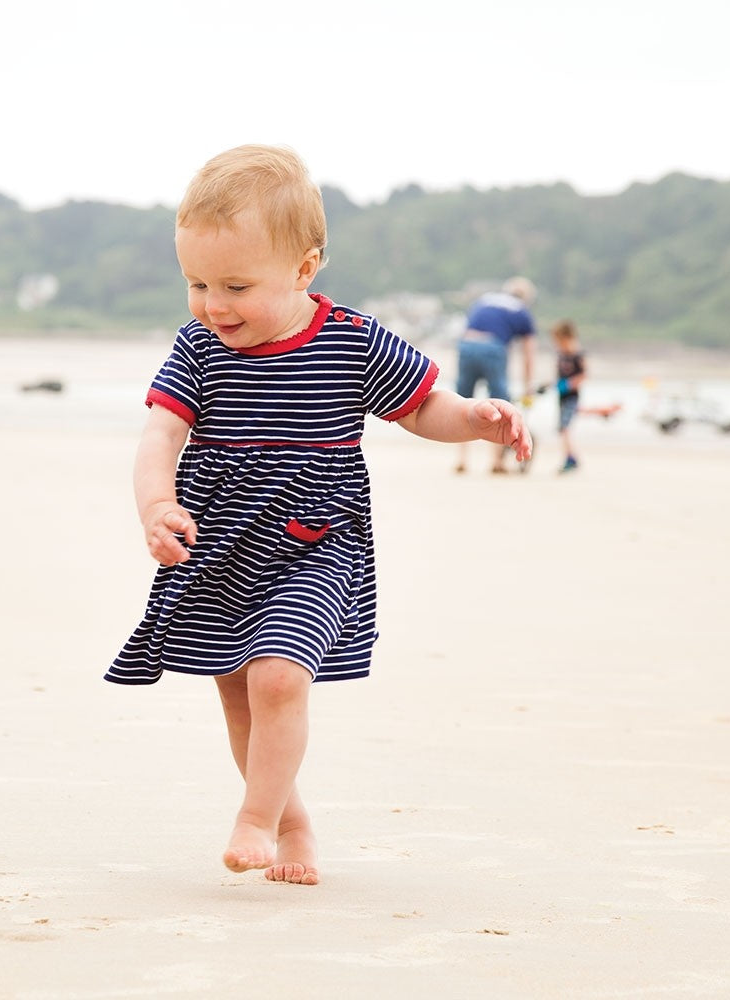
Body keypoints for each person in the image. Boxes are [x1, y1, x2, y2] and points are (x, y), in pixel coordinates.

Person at [105, 145, 532, 885]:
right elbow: (160, 435)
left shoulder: (352, 340)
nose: (214, 303)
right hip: (220, 546)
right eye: (197, 283)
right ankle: (290, 820)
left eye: (236, 284)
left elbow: (423, 406)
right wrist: (156, 503)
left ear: (304, 270)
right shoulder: (199, 349)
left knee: (278, 679)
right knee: (240, 695)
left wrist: (476, 419)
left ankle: (255, 818)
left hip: (317, 543)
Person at [454, 276, 537, 474]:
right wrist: (528, 387)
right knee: (500, 406)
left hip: (466, 345)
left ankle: (462, 460)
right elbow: (528, 355)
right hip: (492, 348)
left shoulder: (486, 299)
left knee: (462, 402)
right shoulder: (521, 310)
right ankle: (496, 461)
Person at [551, 319, 586, 472]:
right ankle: (569, 456)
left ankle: (571, 458)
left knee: (564, 427)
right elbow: (557, 374)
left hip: (571, 396)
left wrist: (568, 385)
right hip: (561, 396)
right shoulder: (561, 354)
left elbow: (584, 375)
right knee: (562, 427)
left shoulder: (577, 355)